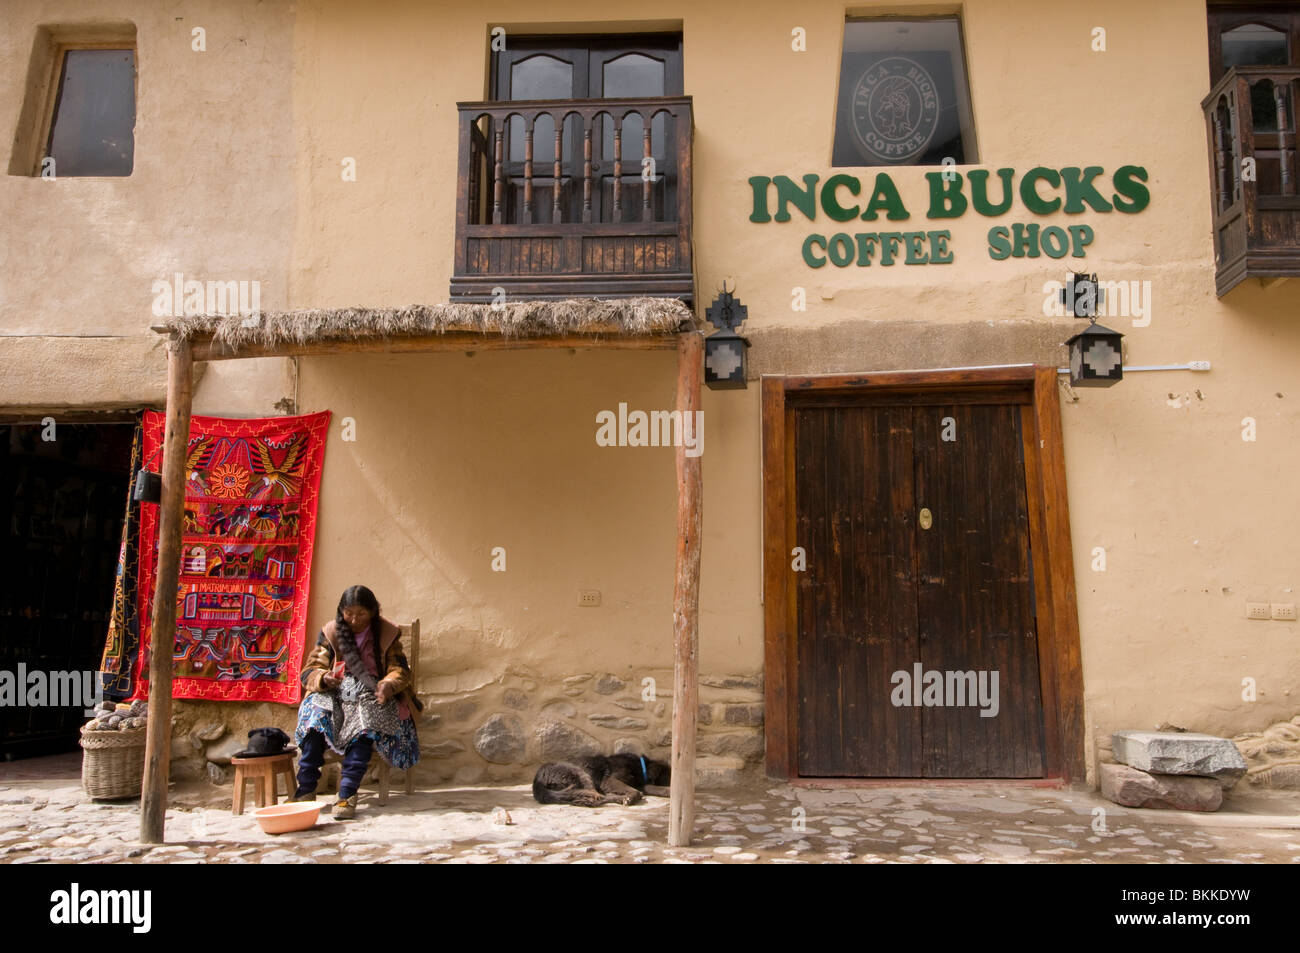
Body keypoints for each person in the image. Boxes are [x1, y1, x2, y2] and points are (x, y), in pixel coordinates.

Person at [289, 585, 421, 818]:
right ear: (341, 612)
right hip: (335, 691)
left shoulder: (387, 633)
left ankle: (347, 794)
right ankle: (306, 789)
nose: (354, 619)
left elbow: (399, 669)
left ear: (373, 612)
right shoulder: (331, 632)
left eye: (360, 614)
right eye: (348, 613)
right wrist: (324, 677)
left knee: (365, 723)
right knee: (314, 716)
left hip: (373, 690)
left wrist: (388, 685)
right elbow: (311, 669)